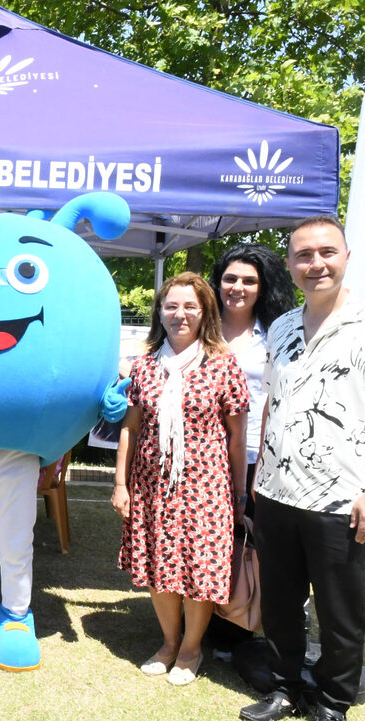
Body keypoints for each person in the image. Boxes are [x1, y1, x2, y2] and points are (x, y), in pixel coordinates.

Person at [239, 216, 365, 721]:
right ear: (290, 265)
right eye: (303, 255)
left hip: (341, 500)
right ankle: (289, 686)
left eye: (326, 252)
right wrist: (259, 476)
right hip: (276, 493)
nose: (315, 264)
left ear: (346, 255)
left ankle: (334, 701)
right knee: (280, 603)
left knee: (340, 611)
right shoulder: (284, 327)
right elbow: (272, 401)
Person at [112, 272, 250, 686]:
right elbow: (130, 429)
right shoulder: (145, 367)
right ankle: (169, 643)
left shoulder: (223, 365)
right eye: (171, 305)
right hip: (151, 486)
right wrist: (120, 484)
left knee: (199, 570)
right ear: (160, 312)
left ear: (205, 311)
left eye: (190, 305)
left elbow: (237, 436)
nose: (180, 314)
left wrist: (240, 493)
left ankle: (192, 650)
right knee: (160, 567)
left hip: (206, 488)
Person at [204, 243, 297, 656]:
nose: (237, 287)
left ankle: (238, 626)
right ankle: (200, 623)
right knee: (205, 541)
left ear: (263, 287)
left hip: (260, 452)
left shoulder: (279, 330)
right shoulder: (200, 324)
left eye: (248, 280)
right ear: (217, 282)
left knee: (247, 543)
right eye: (229, 278)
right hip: (202, 453)